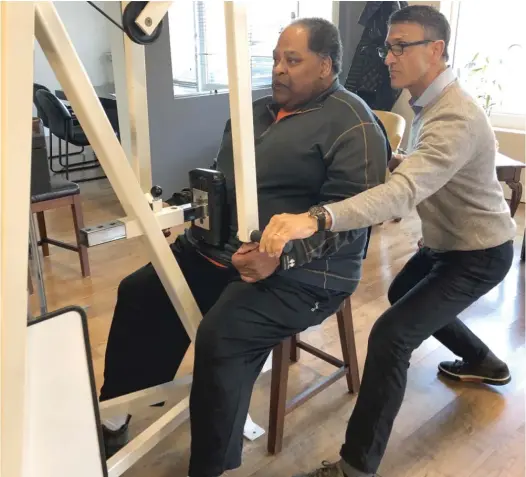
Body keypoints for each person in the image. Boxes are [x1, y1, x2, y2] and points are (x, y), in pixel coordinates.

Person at [99, 18, 389, 477]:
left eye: (293, 60)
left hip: (309, 271)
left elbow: (354, 221)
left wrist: (283, 256)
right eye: (275, 58)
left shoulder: (353, 124)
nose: (278, 70)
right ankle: (115, 415)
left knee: (222, 335)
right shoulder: (251, 112)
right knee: (142, 292)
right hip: (225, 251)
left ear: (326, 67)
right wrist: (194, 220)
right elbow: (222, 182)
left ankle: (210, 467)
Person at [259, 6, 516, 477]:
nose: (388, 58)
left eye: (401, 47)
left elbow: (404, 193)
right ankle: (485, 362)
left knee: (390, 336)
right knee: (402, 293)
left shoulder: (454, 116)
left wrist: (316, 217)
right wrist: (392, 161)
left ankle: (355, 466)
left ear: (436, 50)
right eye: (388, 47)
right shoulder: (428, 105)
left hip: (479, 253)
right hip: (447, 244)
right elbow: (418, 171)